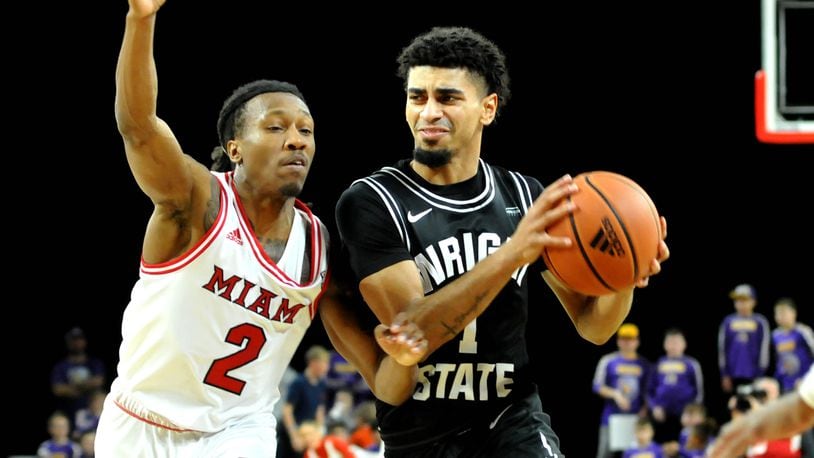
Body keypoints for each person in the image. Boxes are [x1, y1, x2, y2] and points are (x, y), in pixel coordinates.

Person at [98, 3, 425, 456]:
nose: (297, 139)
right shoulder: (197, 204)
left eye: (306, 130)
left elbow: (383, 380)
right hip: (139, 423)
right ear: (235, 147)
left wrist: (405, 356)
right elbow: (138, 128)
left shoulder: (319, 251)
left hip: (238, 430)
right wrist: (141, 18)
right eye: (276, 127)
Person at [334, 26, 669, 457]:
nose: (428, 112)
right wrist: (512, 253)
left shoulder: (522, 196)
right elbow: (414, 330)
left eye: (448, 98)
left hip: (511, 420)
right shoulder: (372, 202)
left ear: (487, 108)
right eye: (417, 97)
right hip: (421, 432)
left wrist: (626, 270)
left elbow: (595, 326)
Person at [708, 366, 814, 457]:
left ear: (778, 394)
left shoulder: (799, 420)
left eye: (766, 394)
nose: (763, 400)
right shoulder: (748, 422)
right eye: (759, 394)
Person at [593, 323, 652, 458]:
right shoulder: (608, 361)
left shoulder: (644, 364)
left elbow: (648, 390)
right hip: (611, 417)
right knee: (605, 454)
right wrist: (616, 395)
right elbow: (597, 385)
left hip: (637, 418)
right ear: (618, 341)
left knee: (636, 454)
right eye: (624, 339)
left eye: (631, 339)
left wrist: (645, 409)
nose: (627, 343)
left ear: (637, 341)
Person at [718, 283, 771, 394]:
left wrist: (760, 374)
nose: (741, 304)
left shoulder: (760, 322)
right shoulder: (728, 322)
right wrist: (725, 374)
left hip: (754, 374)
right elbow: (722, 348)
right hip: (732, 376)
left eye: (744, 300)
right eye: (737, 300)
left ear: (754, 302)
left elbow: (764, 349)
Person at [51, 327, 106, 419]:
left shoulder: (94, 363)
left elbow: (98, 381)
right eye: (73, 340)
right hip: (69, 411)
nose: (76, 343)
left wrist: (73, 388)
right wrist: (85, 386)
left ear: (84, 341)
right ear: (68, 342)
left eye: (79, 339)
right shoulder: (61, 366)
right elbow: (57, 388)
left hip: (92, 409)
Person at [772, 298, 814, 393]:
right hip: (785, 384)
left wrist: (807, 379)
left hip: (804, 383)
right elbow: (779, 360)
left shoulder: (803, 331)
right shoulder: (775, 335)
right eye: (778, 313)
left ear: (793, 313)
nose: (781, 317)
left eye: (784, 313)